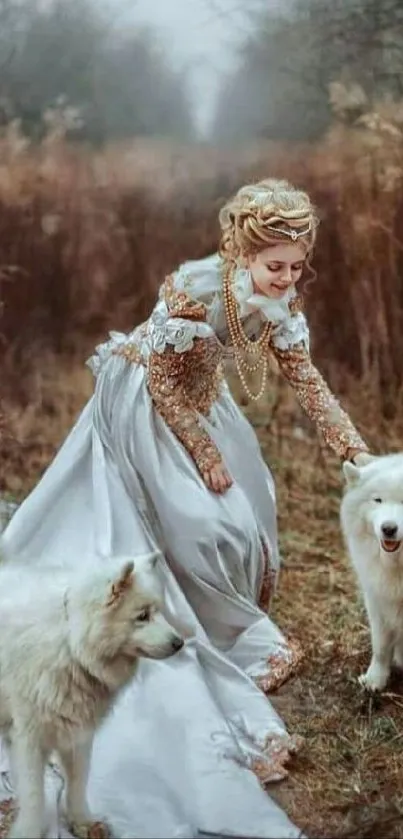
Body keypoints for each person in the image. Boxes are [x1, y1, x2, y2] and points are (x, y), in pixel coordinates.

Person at [2, 178, 370, 839]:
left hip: (200, 399)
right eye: (273, 266)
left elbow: (304, 379)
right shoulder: (197, 291)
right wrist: (204, 456)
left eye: (295, 267)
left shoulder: (279, 302)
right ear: (240, 253)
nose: (286, 279)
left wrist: (352, 448)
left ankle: (214, 602)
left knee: (248, 498)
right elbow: (165, 389)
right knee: (199, 514)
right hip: (146, 397)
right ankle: (168, 586)